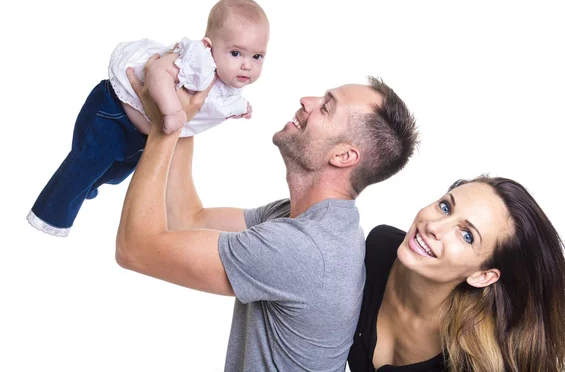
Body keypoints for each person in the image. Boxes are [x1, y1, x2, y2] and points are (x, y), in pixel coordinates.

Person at [115, 57, 419, 371]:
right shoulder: (308, 221)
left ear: (343, 156)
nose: (307, 100)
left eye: (327, 107)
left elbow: (135, 249)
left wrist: (165, 129)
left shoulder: (303, 249)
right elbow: (188, 219)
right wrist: (186, 116)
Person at [27, 0, 268, 237]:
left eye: (257, 56)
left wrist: (240, 109)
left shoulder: (230, 85)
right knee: (83, 167)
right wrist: (172, 111)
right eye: (236, 53)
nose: (247, 65)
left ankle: (86, 186)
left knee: (111, 175)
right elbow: (157, 70)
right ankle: (48, 220)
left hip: (141, 139)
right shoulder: (198, 61)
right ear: (209, 45)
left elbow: (217, 105)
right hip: (113, 113)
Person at [347, 175, 565, 372]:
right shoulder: (378, 249)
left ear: (482, 276)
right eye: (445, 207)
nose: (434, 227)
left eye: (466, 236)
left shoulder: (473, 362)